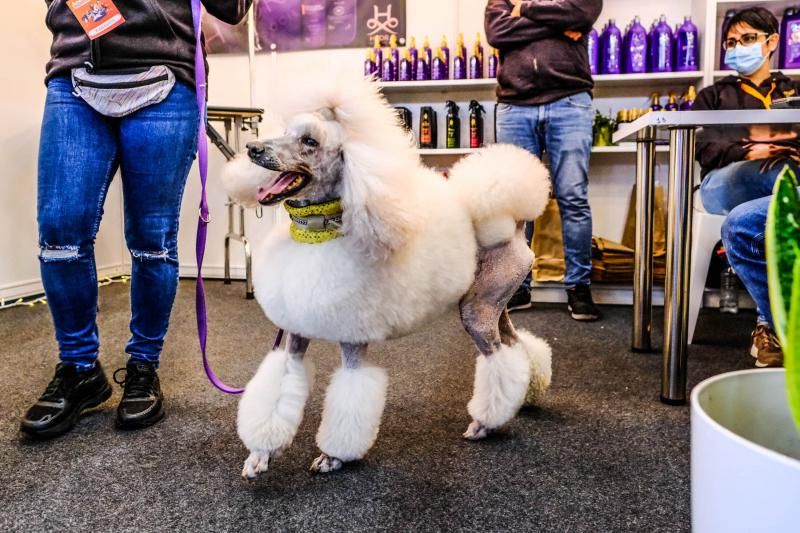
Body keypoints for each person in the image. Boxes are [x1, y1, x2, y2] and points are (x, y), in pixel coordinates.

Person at [21, 1, 252, 439]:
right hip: (75, 70)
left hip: (165, 75)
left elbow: (232, 8)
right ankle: (79, 369)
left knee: (153, 242)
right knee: (59, 239)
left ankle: (143, 366)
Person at [693, 7, 800, 368]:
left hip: (780, 183)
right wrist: (752, 149)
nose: (738, 47)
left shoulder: (793, 90)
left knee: (781, 187)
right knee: (781, 172)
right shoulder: (712, 96)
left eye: (748, 39)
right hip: (723, 184)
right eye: (732, 42)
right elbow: (705, 149)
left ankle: (770, 326)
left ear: (771, 42)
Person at [485, 0, 603, 321]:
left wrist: (523, 10)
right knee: (518, 205)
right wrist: (556, 24)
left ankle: (578, 286)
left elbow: (582, 13)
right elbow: (497, 32)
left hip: (570, 102)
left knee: (573, 197)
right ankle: (518, 286)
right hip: (514, 106)